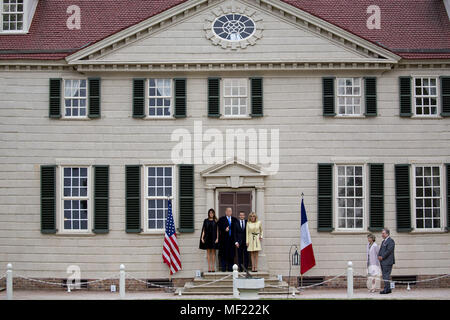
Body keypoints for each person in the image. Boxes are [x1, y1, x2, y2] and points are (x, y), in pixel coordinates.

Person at [217, 207, 238, 272]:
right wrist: (224, 229)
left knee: (231, 255)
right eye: (228, 211)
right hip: (224, 240)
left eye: (230, 211)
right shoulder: (221, 219)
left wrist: (236, 241)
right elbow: (219, 227)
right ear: (225, 212)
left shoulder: (234, 219)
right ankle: (223, 268)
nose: (229, 212)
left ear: (231, 212)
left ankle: (230, 268)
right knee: (223, 254)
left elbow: (237, 230)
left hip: (232, 240)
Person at [199, 208, 219, 272]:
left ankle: (213, 267)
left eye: (212, 213)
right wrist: (202, 238)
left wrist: (217, 238)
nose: (211, 214)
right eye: (210, 213)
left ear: (214, 214)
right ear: (208, 214)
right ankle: (209, 268)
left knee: (213, 253)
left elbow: (217, 231)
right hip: (207, 238)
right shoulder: (206, 220)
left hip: (213, 238)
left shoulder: (216, 221)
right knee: (208, 253)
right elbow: (204, 230)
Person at [378, 228, 395, 294]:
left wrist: (382, 257)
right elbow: (381, 250)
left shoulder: (391, 241)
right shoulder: (383, 241)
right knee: (384, 275)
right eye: (382, 233)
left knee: (386, 275)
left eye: (383, 233)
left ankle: (386, 289)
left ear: (387, 234)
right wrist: (379, 255)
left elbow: (389, 251)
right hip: (382, 261)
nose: (382, 235)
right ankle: (388, 289)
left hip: (388, 261)